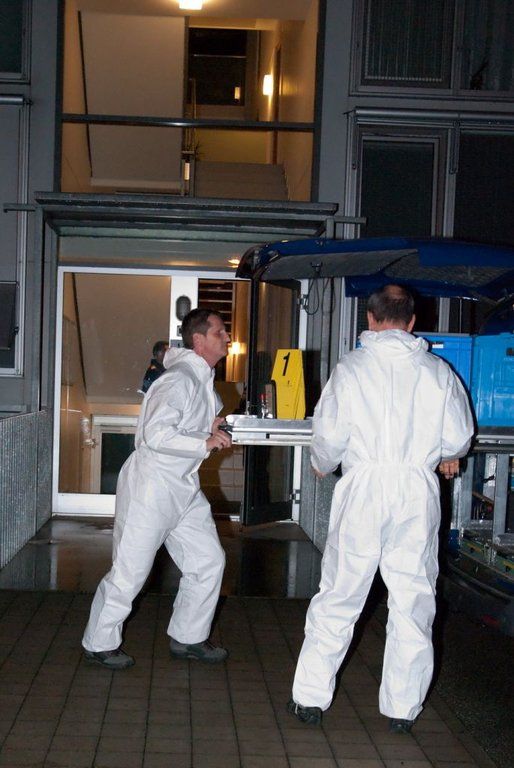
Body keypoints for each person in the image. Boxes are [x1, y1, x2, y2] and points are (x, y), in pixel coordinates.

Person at [288, 284, 474, 733]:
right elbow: (459, 436)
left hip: (364, 489)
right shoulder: (438, 372)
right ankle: (402, 709)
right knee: (413, 599)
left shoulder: (351, 368)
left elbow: (328, 435)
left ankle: (310, 698)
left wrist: (322, 463)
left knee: (340, 593)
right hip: (415, 491)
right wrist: (447, 454)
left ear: (369, 319)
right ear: (412, 322)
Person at [82, 309, 232, 669]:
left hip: (183, 486)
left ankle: (189, 637)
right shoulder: (179, 379)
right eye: (220, 332)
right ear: (199, 341)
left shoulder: (200, 379)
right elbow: (156, 433)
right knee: (130, 570)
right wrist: (205, 442)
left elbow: (183, 426)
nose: (228, 338)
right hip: (151, 487)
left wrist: (210, 427)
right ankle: (98, 643)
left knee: (208, 561)